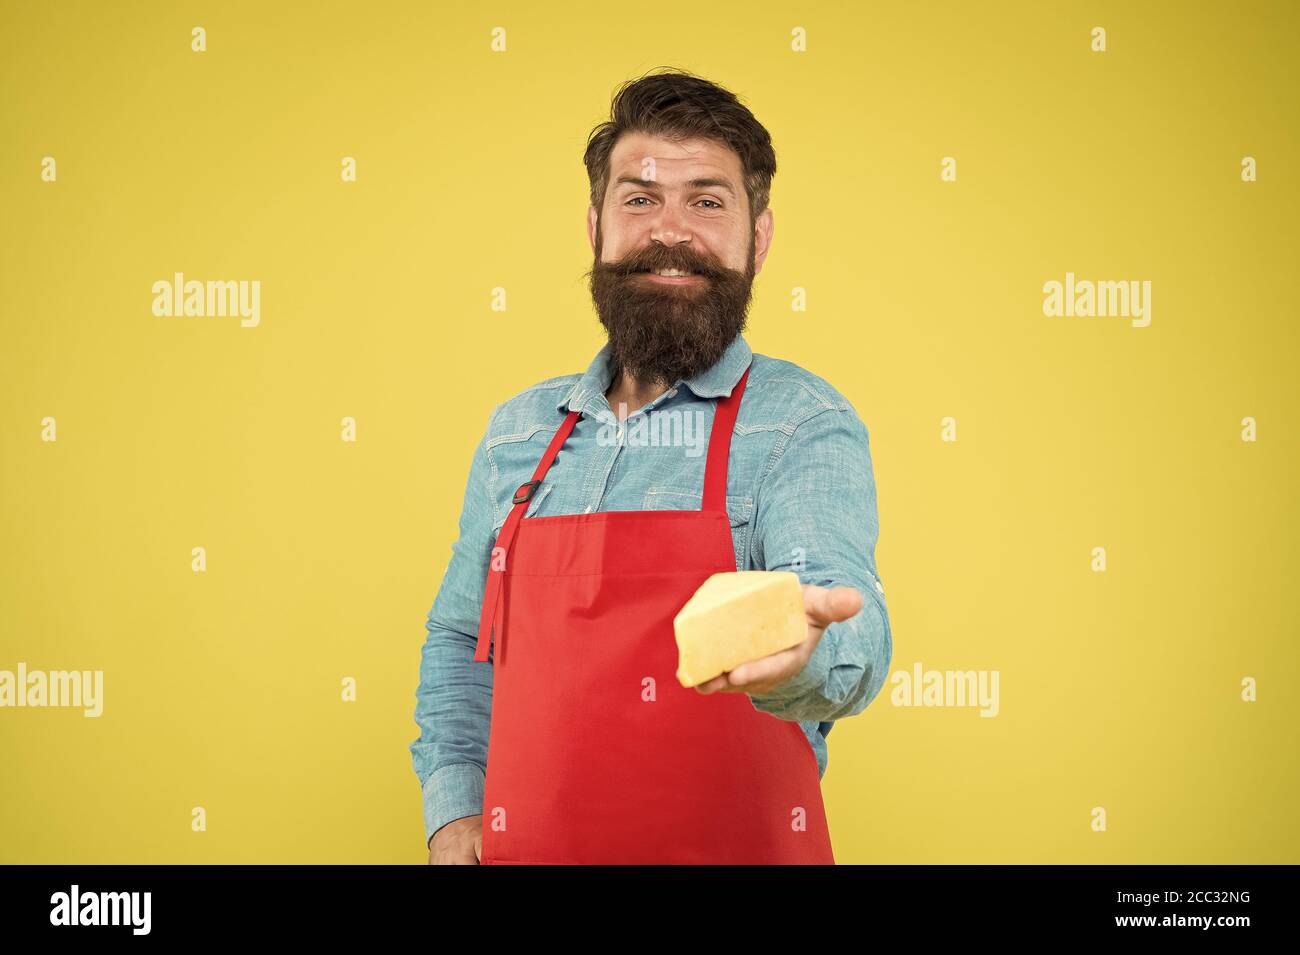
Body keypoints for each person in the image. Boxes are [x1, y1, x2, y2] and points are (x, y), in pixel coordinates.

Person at [413, 68, 892, 865]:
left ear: (759, 237)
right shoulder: (517, 433)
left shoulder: (800, 422)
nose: (671, 230)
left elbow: (850, 624)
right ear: (596, 224)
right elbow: (462, 639)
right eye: (641, 199)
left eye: (707, 200)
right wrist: (455, 809)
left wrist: (806, 655)